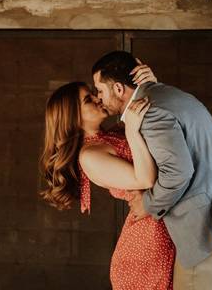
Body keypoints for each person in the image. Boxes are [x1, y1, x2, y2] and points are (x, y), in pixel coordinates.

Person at [92, 51, 212, 290]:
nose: (99, 98)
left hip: (209, 219)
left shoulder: (152, 113)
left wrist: (147, 203)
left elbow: (177, 174)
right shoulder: (167, 95)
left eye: (100, 90)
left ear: (118, 88)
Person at [40, 66, 174, 290]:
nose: (97, 98)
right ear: (73, 117)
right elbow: (146, 180)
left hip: (162, 222)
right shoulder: (90, 156)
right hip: (146, 246)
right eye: (88, 100)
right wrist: (131, 130)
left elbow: (149, 118)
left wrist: (150, 84)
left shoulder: (110, 134)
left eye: (94, 92)